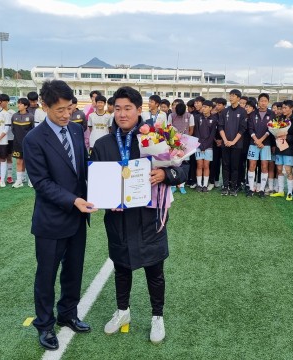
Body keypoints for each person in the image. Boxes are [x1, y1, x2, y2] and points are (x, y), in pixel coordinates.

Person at [90, 86, 186, 345]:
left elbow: (182, 169)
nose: (122, 114)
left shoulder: (156, 138)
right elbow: (95, 181)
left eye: (127, 108)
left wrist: (165, 174)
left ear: (138, 109)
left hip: (149, 217)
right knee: (121, 267)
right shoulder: (103, 144)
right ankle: (123, 311)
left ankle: (157, 316)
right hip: (118, 218)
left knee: (154, 270)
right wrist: (103, 200)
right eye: (117, 108)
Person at [23, 80, 94, 351]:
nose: (66, 114)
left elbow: (82, 170)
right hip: (51, 220)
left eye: (70, 108)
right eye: (60, 110)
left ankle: (68, 314)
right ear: (44, 106)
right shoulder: (34, 139)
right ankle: (44, 324)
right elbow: (41, 183)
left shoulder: (76, 131)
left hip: (77, 218)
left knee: (73, 272)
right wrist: (73, 200)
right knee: (46, 275)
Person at [218, 89, 248, 196]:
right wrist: (225, 140)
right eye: (230, 95)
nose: (231, 97)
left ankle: (234, 186)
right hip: (225, 143)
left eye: (233, 96)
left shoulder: (243, 112)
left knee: (235, 166)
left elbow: (242, 129)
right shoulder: (225, 111)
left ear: (238, 98)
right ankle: (225, 186)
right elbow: (220, 127)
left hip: (237, 144)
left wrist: (233, 141)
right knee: (225, 165)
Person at [271, 100, 293, 200]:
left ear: (291, 108)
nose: (283, 110)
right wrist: (277, 134)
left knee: (288, 170)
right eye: (282, 108)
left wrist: (287, 137)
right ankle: (280, 191)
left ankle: (289, 192)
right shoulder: (280, 118)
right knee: (278, 169)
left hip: (290, 149)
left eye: (286, 108)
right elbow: (275, 130)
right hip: (279, 147)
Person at [11, 98, 35, 188]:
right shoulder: (14, 116)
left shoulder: (31, 116)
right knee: (18, 162)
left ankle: (31, 180)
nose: (18, 105)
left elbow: (33, 129)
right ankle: (19, 181)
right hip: (17, 143)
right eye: (18, 103)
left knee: (29, 162)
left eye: (21, 104)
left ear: (25, 106)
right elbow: (13, 129)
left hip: (28, 144)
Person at [194, 100, 217, 192]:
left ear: (210, 108)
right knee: (199, 165)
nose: (203, 108)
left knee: (206, 165)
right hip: (199, 145)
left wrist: (206, 146)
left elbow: (212, 135)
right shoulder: (197, 117)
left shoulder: (214, 119)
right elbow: (196, 132)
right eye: (203, 106)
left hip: (209, 146)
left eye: (206, 107)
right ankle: (199, 185)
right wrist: (201, 145)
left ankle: (205, 185)